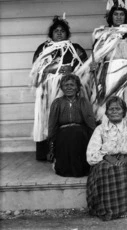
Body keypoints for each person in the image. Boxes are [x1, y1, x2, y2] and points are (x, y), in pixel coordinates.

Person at [76, 6, 127, 128]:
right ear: (111, 17)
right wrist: (94, 65)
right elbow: (96, 55)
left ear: (126, 17)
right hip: (109, 76)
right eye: (116, 14)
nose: (119, 17)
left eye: (121, 14)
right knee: (108, 105)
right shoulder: (102, 34)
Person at [30, 15, 87, 161]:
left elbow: (85, 69)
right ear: (51, 33)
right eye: (56, 30)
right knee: (48, 116)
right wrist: (51, 69)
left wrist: (71, 71)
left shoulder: (75, 49)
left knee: (65, 115)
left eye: (62, 30)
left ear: (67, 33)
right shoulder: (43, 49)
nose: (59, 33)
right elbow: (35, 70)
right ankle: (47, 152)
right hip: (46, 89)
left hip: (68, 87)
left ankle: (65, 151)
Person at [86, 96, 127, 221]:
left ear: (124, 111)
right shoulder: (100, 129)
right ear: (106, 112)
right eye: (111, 109)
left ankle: (125, 207)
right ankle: (109, 209)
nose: (114, 111)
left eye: (118, 109)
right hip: (105, 157)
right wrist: (107, 157)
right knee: (106, 169)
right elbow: (91, 154)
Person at [48, 74, 96, 177]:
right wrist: (51, 145)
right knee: (67, 136)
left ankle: (81, 169)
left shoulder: (83, 102)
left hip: (80, 135)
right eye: (66, 85)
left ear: (78, 87)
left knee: (77, 134)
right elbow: (52, 125)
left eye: (72, 85)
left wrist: (95, 140)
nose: (69, 87)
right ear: (61, 88)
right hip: (63, 136)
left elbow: (90, 122)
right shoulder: (57, 103)